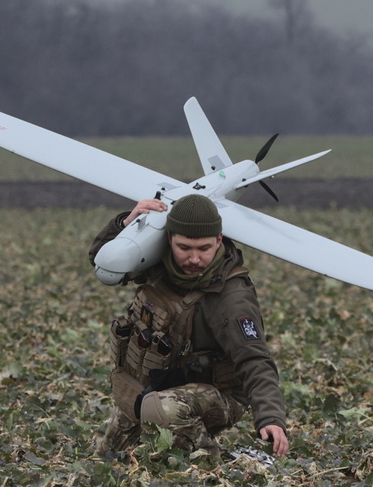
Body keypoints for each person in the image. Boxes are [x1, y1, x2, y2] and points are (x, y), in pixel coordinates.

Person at [89, 194, 290, 460]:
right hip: (163, 384)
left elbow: (254, 359)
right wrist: (126, 224)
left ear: (218, 240)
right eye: (184, 248)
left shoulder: (231, 299)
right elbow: (102, 263)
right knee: (106, 454)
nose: (194, 259)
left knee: (159, 410)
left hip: (219, 395)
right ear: (169, 238)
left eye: (204, 248)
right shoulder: (158, 264)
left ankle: (220, 461)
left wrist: (270, 418)